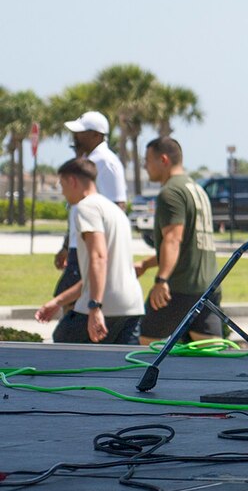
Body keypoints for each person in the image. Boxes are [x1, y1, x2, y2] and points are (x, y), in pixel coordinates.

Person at [35, 159, 144, 345]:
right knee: (122, 371)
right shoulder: (116, 211)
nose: (62, 192)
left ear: (72, 181)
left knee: (62, 343)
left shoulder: (85, 207)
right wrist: (57, 302)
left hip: (104, 306)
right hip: (132, 307)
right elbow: (96, 274)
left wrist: (94, 307)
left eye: (62, 184)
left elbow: (99, 258)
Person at [135, 136, 222, 341]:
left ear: (163, 160)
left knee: (148, 347)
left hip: (179, 288)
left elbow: (173, 239)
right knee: (211, 361)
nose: (145, 166)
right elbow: (187, 245)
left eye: (147, 160)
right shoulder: (197, 190)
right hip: (208, 288)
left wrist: (161, 280)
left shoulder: (171, 192)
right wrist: (146, 264)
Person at [52, 109, 127, 300]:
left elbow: (117, 206)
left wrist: (107, 248)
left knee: (68, 300)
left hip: (91, 246)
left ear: (96, 135)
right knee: (70, 300)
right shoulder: (89, 160)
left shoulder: (106, 161)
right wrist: (67, 246)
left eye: (80, 133)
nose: (75, 136)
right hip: (80, 245)